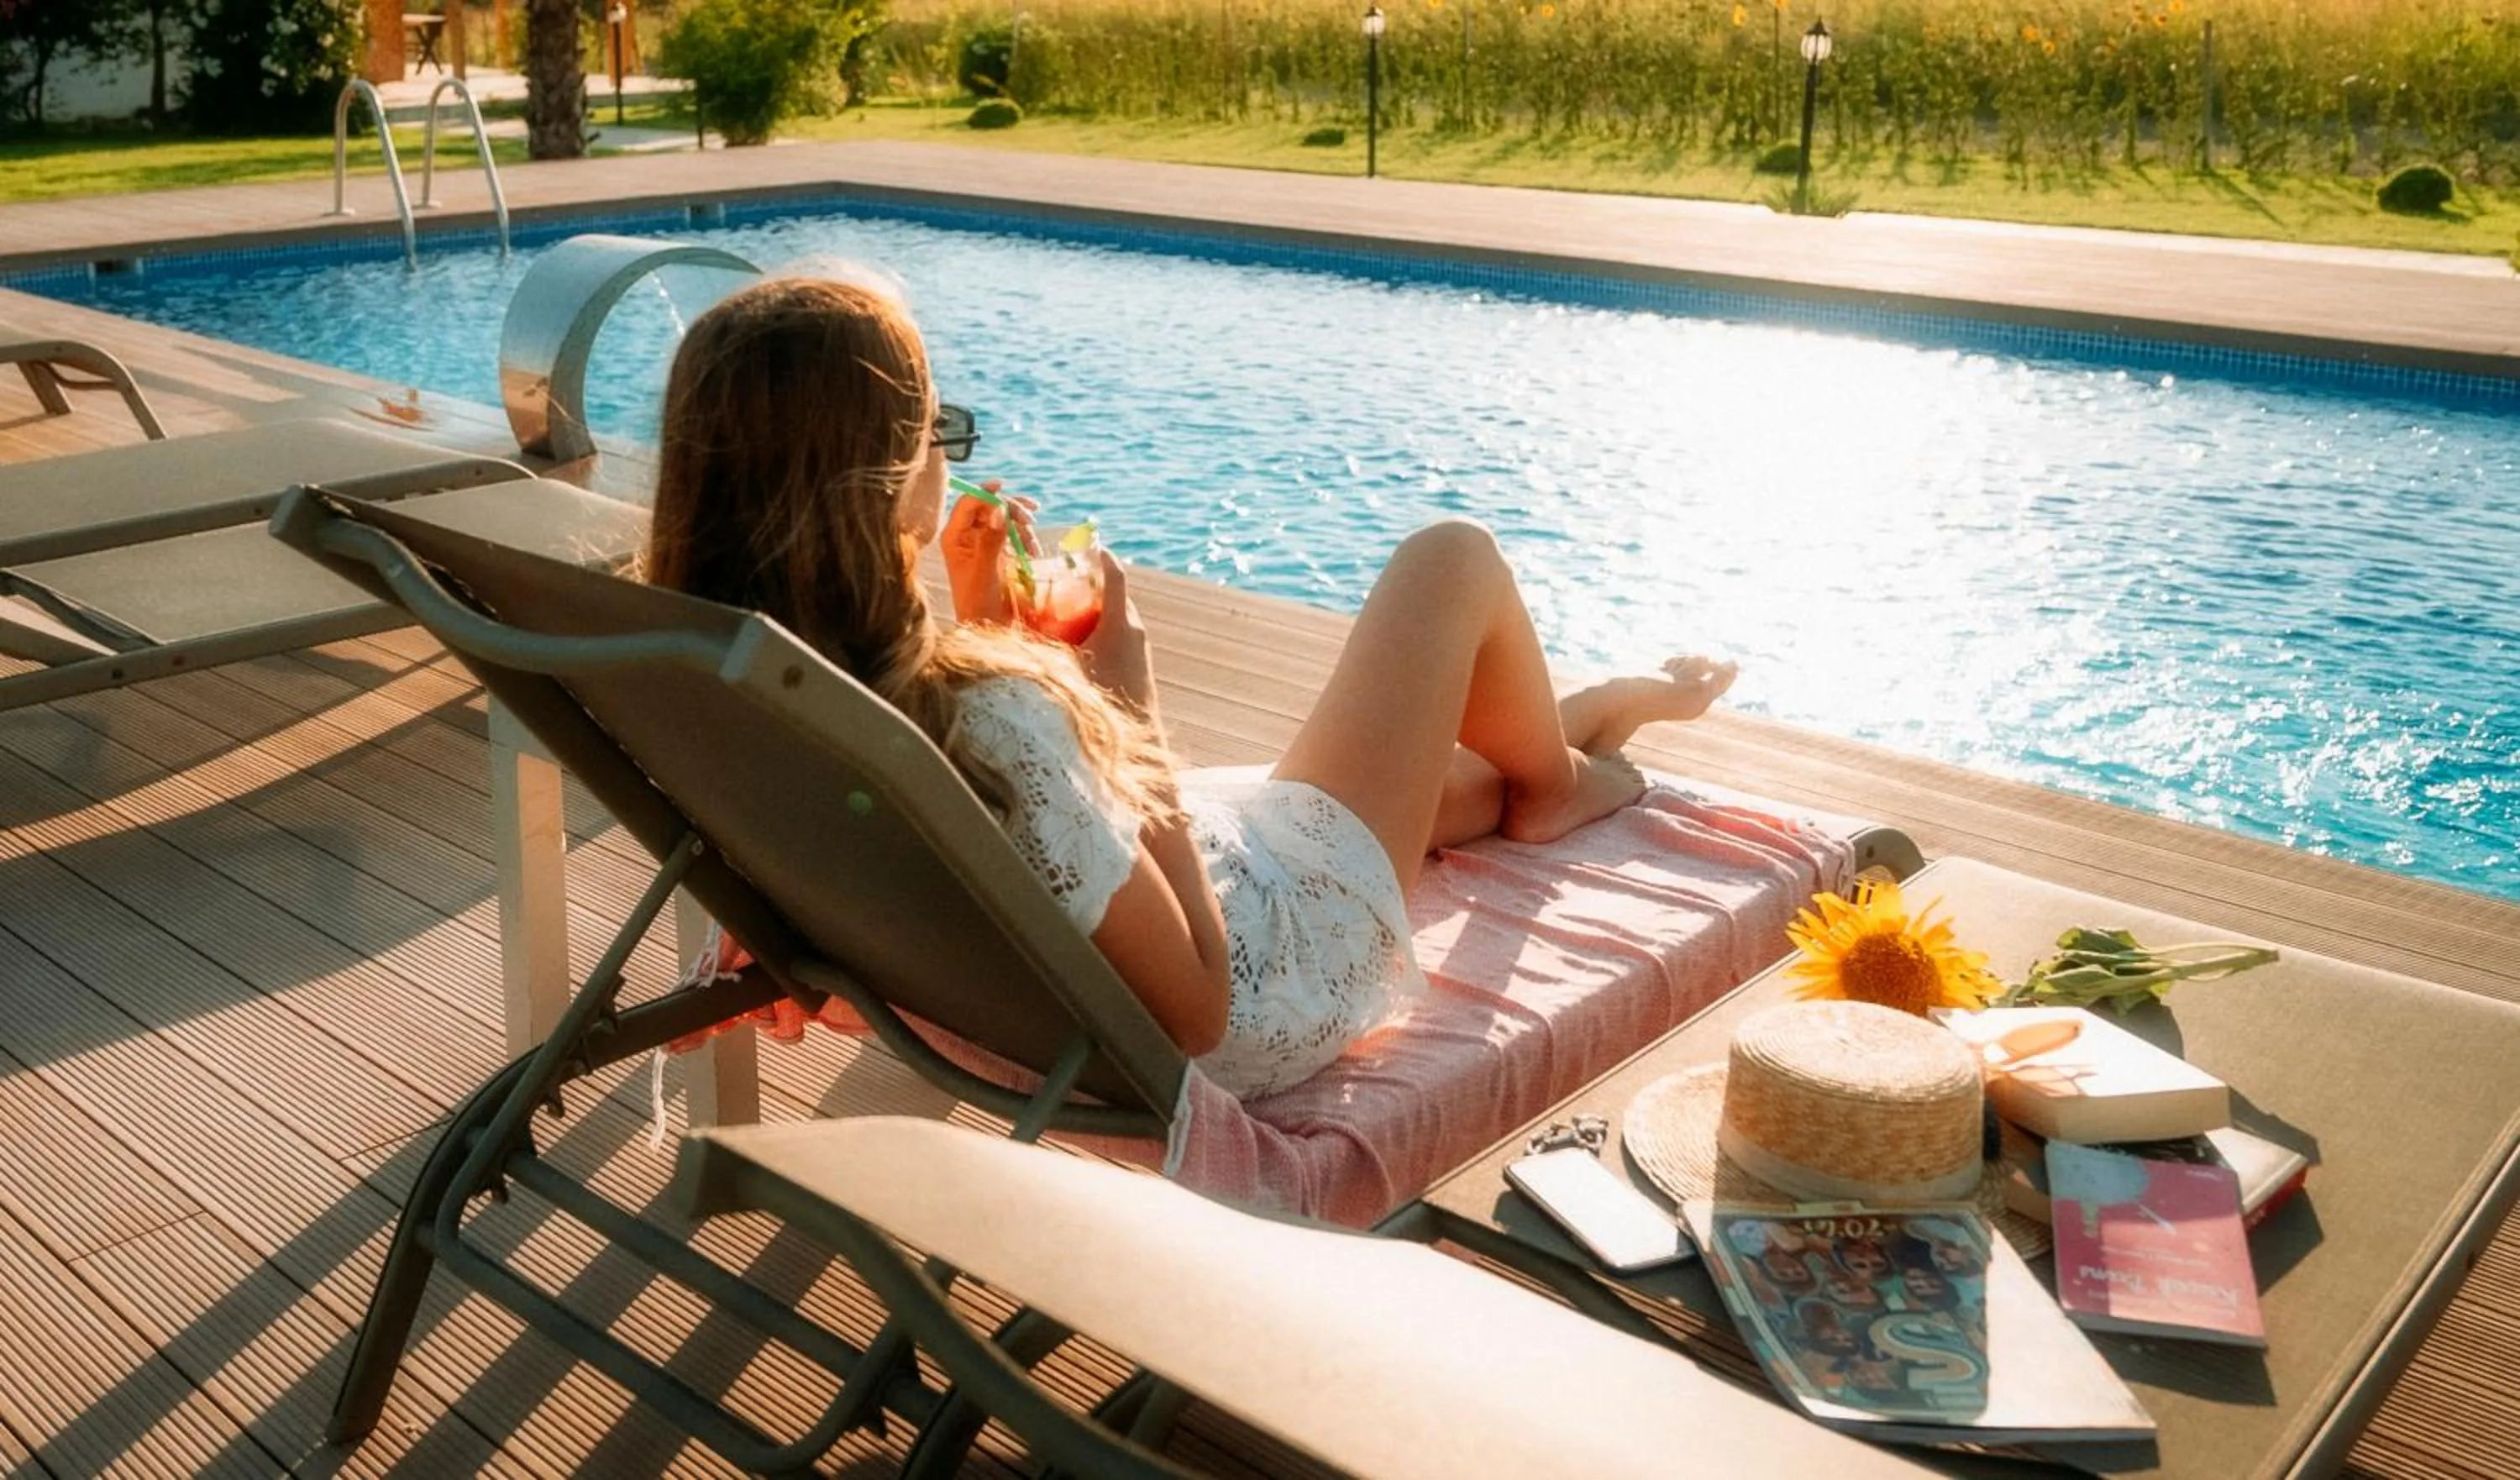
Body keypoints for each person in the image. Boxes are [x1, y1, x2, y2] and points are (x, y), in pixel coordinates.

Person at [643, 276, 1737, 1099]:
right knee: (1451, 558)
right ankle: (1560, 779)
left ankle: (1579, 725)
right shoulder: (992, 721)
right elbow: (1202, 1007)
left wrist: (981, 627)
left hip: (1139, 915)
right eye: (936, 430)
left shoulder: (712, 689)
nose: (948, 451)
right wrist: (1129, 709)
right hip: (1267, 985)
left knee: (1443, 794)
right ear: (889, 486)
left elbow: (992, 819)